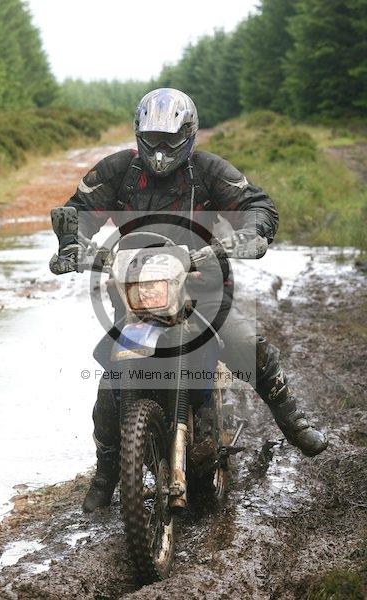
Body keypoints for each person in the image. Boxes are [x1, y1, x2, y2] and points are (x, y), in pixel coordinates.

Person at [49, 88, 328, 513]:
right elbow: (79, 210)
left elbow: (257, 203)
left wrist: (252, 232)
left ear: (188, 134)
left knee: (246, 346)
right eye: (152, 139)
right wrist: (73, 244)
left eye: (169, 139)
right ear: (139, 134)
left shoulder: (209, 170)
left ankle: (295, 423)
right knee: (111, 383)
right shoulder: (120, 170)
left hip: (203, 289)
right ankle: (106, 472)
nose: (160, 149)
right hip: (140, 298)